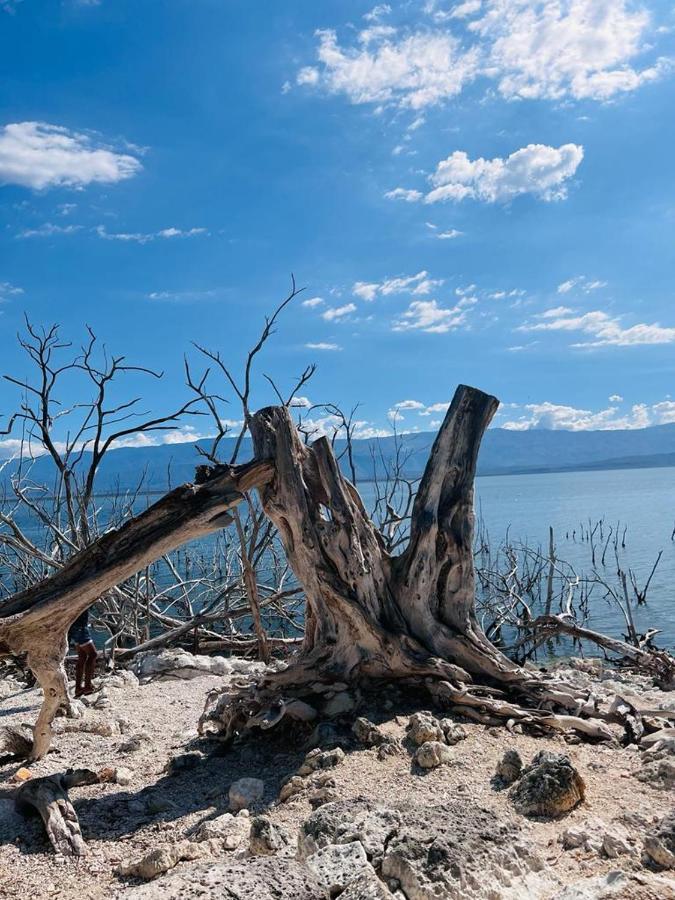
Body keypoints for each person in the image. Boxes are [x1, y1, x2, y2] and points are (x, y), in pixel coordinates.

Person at [68, 608, 97, 697]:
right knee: (93, 654)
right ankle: (87, 686)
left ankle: (78, 688)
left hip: (73, 628)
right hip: (80, 628)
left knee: (82, 656)